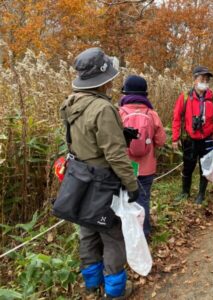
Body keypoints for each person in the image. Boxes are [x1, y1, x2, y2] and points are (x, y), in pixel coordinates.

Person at [60, 48, 138, 299]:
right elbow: (115, 155)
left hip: (79, 176)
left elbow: (80, 141)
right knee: (113, 236)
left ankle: (91, 284)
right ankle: (115, 291)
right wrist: (132, 184)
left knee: (87, 232)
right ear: (102, 79)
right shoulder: (103, 109)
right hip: (103, 182)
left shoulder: (71, 103)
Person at [119, 75, 166, 239]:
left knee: (125, 200)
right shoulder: (152, 114)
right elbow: (161, 141)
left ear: (125, 93)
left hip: (125, 167)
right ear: (145, 94)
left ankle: (127, 234)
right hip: (147, 168)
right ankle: (144, 234)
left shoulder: (119, 113)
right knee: (143, 200)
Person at [172, 66, 213, 204]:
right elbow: (177, 118)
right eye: (202, 79)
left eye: (207, 80)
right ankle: (185, 192)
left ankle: (201, 194)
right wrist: (175, 138)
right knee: (188, 167)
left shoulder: (212, 98)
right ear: (195, 80)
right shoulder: (185, 97)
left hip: (207, 140)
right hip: (190, 139)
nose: (205, 82)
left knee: (205, 168)